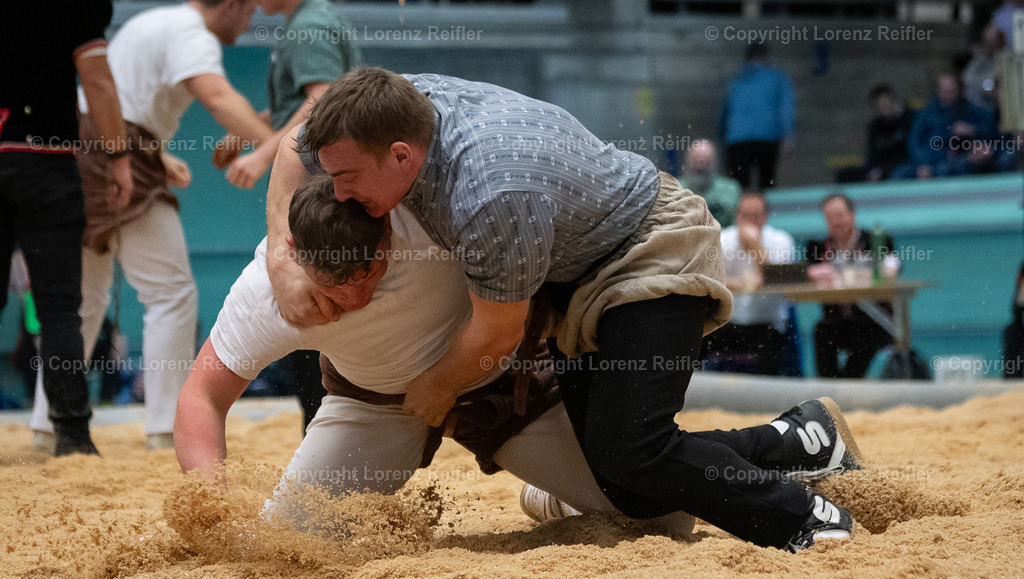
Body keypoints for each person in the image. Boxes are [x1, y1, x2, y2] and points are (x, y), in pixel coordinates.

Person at [263, 67, 866, 553]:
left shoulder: (490, 193)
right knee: (623, 485)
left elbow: (498, 334)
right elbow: (294, 147)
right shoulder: (397, 103)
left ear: (401, 155)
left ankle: (808, 519)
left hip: (649, 249)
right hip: (574, 269)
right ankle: (798, 439)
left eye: (346, 177)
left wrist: (436, 387)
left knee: (634, 449)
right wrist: (282, 260)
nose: (336, 191)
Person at [174, 175, 695, 533]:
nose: (353, 299)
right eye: (332, 289)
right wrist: (212, 504)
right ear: (292, 252)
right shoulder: (267, 294)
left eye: (369, 273)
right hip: (374, 402)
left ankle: (551, 497)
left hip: (498, 379)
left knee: (663, 519)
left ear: (387, 225)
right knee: (279, 544)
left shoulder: (434, 219)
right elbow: (202, 396)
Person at [30, 0, 277, 452]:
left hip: (86, 150)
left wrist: (157, 154)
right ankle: (167, 428)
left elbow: (107, 100)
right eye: (249, 9)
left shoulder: (152, 21)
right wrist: (279, 147)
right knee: (170, 292)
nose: (253, 19)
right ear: (231, 3)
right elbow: (218, 97)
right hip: (115, 155)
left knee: (84, 300)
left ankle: (49, 424)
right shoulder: (190, 32)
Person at [213, 0, 362, 433]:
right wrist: (251, 129)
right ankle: (322, 426)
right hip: (327, 189)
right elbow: (303, 104)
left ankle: (320, 428)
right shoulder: (311, 20)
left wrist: (265, 152)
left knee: (303, 299)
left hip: (317, 192)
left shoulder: (309, 26)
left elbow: (322, 100)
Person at [1, 0, 132, 455]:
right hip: (46, 163)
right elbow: (97, 81)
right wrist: (118, 157)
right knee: (58, 307)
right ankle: (72, 437)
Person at [807, 193, 900, 379]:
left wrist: (856, 275)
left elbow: (891, 270)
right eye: (830, 217)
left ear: (852, 215)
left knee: (868, 337)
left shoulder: (877, 241)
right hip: (837, 321)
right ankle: (828, 389)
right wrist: (813, 273)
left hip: (873, 321)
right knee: (821, 331)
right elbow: (804, 274)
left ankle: (848, 386)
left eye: (840, 215)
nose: (836, 221)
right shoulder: (817, 247)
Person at [701, 193, 796, 376]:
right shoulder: (722, 239)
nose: (751, 221)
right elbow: (707, 277)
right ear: (737, 216)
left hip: (767, 324)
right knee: (697, 336)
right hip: (727, 323)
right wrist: (735, 284)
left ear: (766, 217)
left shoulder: (781, 240)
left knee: (774, 347)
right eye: (746, 215)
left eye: (756, 215)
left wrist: (755, 246)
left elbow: (775, 279)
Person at [891, 73, 1002, 179]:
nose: (947, 96)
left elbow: (989, 130)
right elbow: (914, 143)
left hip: (957, 161)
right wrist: (923, 163)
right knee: (899, 174)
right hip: (929, 160)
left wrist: (972, 130)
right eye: (944, 91)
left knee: (957, 168)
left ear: (959, 92)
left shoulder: (969, 110)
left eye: (950, 92)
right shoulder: (926, 113)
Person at [720, 44, 796, 190]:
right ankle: (764, 212)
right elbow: (786, 108)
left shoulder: (734, 80)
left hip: (737, 140)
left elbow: (723, 111)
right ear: (766, 57)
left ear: (746, 58)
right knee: (767, 184)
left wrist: (722, 137)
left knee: (738, 188)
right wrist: (788, 135)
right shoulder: (778, 77)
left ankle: (742, 213)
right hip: (767, 139)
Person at [834, 84, 913, 183]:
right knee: (844, 175)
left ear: (893, 101)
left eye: (885, 105)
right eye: (880, 107)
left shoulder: (910, 119)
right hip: (879, 168)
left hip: (901, 166)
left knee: (898, 174)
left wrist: (883, 170)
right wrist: (873, 170)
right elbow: (871, 154)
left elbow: (909, 154)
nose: (884, 110)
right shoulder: (875, 126)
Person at [676, 139, 742, 228]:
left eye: (705, 161)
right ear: (688, 162)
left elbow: (732, 214)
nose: (700, 165)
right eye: (696, 160)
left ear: (714, 163)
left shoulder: (730, 187)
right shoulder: (675, 186)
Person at [962, 25, 1006, 113]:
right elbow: (966, 77)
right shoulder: (979, 57)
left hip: (990, 110)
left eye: (991, 41)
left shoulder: (1004, 61)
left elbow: (988, 84)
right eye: (985, 40)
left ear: (1000, 42)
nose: (988, 44)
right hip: (969, 106)